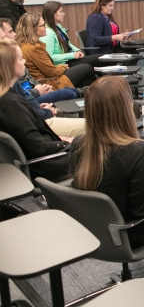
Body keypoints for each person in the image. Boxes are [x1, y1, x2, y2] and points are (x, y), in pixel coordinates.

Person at [69, 76, 144, 271]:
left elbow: (109, 188)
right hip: (129, 233)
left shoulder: (79, 144)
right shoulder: (138, 150)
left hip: (93, 230)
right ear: (124, 109)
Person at [0, 39, 71, 181]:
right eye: (20, 59)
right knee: (101, 149)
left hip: (41, 160)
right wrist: (66, 143)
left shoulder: (9, 98)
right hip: (47, 165)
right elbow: (38, 147)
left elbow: (31, 139)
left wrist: (59, 140)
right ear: (9, 65)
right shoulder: (12, 104)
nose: (24, 62)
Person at [0, 21, 83, 137]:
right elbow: (36, 141)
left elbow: (26, 102)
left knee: (72, 91)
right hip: (40, 119)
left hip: (37, 107)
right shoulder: (8, 93)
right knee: (72, 90)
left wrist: (38, 107)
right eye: (6, 34)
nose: (14, 35)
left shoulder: (33, 48)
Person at [16, 13, 96, 90]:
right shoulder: (33, 48)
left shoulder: (24, 44)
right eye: (43, 25)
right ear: (33, 28)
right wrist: (63, 67)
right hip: (50, 82)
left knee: (85, 79)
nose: (46, 27)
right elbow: (52, 72)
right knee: (87, 67)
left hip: (48, 78)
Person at [41, 1, 110, 68]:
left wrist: (78, 51)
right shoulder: (48, 33)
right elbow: (50, 57)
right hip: (63, 64)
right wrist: (72, 55)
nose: (64, 14)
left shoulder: (58, 27)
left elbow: (68, 44)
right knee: (102, 59)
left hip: (70, 59)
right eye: (61, 11)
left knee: (104, 58)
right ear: (52, 13)